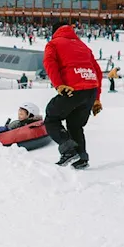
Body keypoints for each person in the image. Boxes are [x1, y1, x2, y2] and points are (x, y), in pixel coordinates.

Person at [43, 23, 102, 168]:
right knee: (75, 125)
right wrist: (96, 98)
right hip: (90, 90)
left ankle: (69, 151)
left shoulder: (54, 44)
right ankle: (81, 157)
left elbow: (49, 62)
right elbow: (98, 71)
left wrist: (59, 85)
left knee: (51, 118)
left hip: (72, 89)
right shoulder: (83, 46)